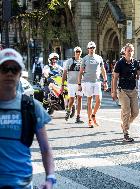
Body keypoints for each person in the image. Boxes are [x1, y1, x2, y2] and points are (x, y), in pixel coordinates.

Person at [0, 48, 55, 188]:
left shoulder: (31, 106)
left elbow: (45, 148)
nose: (9, 73)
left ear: (20, 74)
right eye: (4, 69)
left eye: (14, 69)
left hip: (22, 184)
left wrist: (50, 178)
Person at [111, 43, 140, 142]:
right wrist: (113, 92)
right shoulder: (120, 63)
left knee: (135, 112)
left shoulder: (135, 63)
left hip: (133, 90)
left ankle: (124, 124)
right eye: (129, 51)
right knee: (126, 110)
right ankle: (126, 132)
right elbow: (114, 78)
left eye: (132, 51)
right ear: (125, 52)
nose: (130, 53)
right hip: (123, 90)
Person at [78, 41, 108, 128]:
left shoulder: (99, 58)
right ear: (88, 49)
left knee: (99, 100)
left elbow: (103, 70)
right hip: (87, 82)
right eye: (90, 48)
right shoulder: (85, 59)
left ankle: (93, 115)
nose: (92, 49)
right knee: (89, 100)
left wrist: (105, 82)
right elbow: (80, 72)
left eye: (93, 48)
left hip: (97, 81)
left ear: (95, 48)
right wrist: (79, 84)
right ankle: (90, 120)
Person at [61, 46, 84, 123]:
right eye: (76, 52)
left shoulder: (82, 61)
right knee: (72, 99)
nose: (78, 53)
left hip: (79, 83)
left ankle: (78, 116)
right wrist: (62, 84)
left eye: (79, 52)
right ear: (74, 52)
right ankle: (68, 110)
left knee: (79, 98)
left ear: (81, 53)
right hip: (71, 83)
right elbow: (64, 73)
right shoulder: (69, 61)